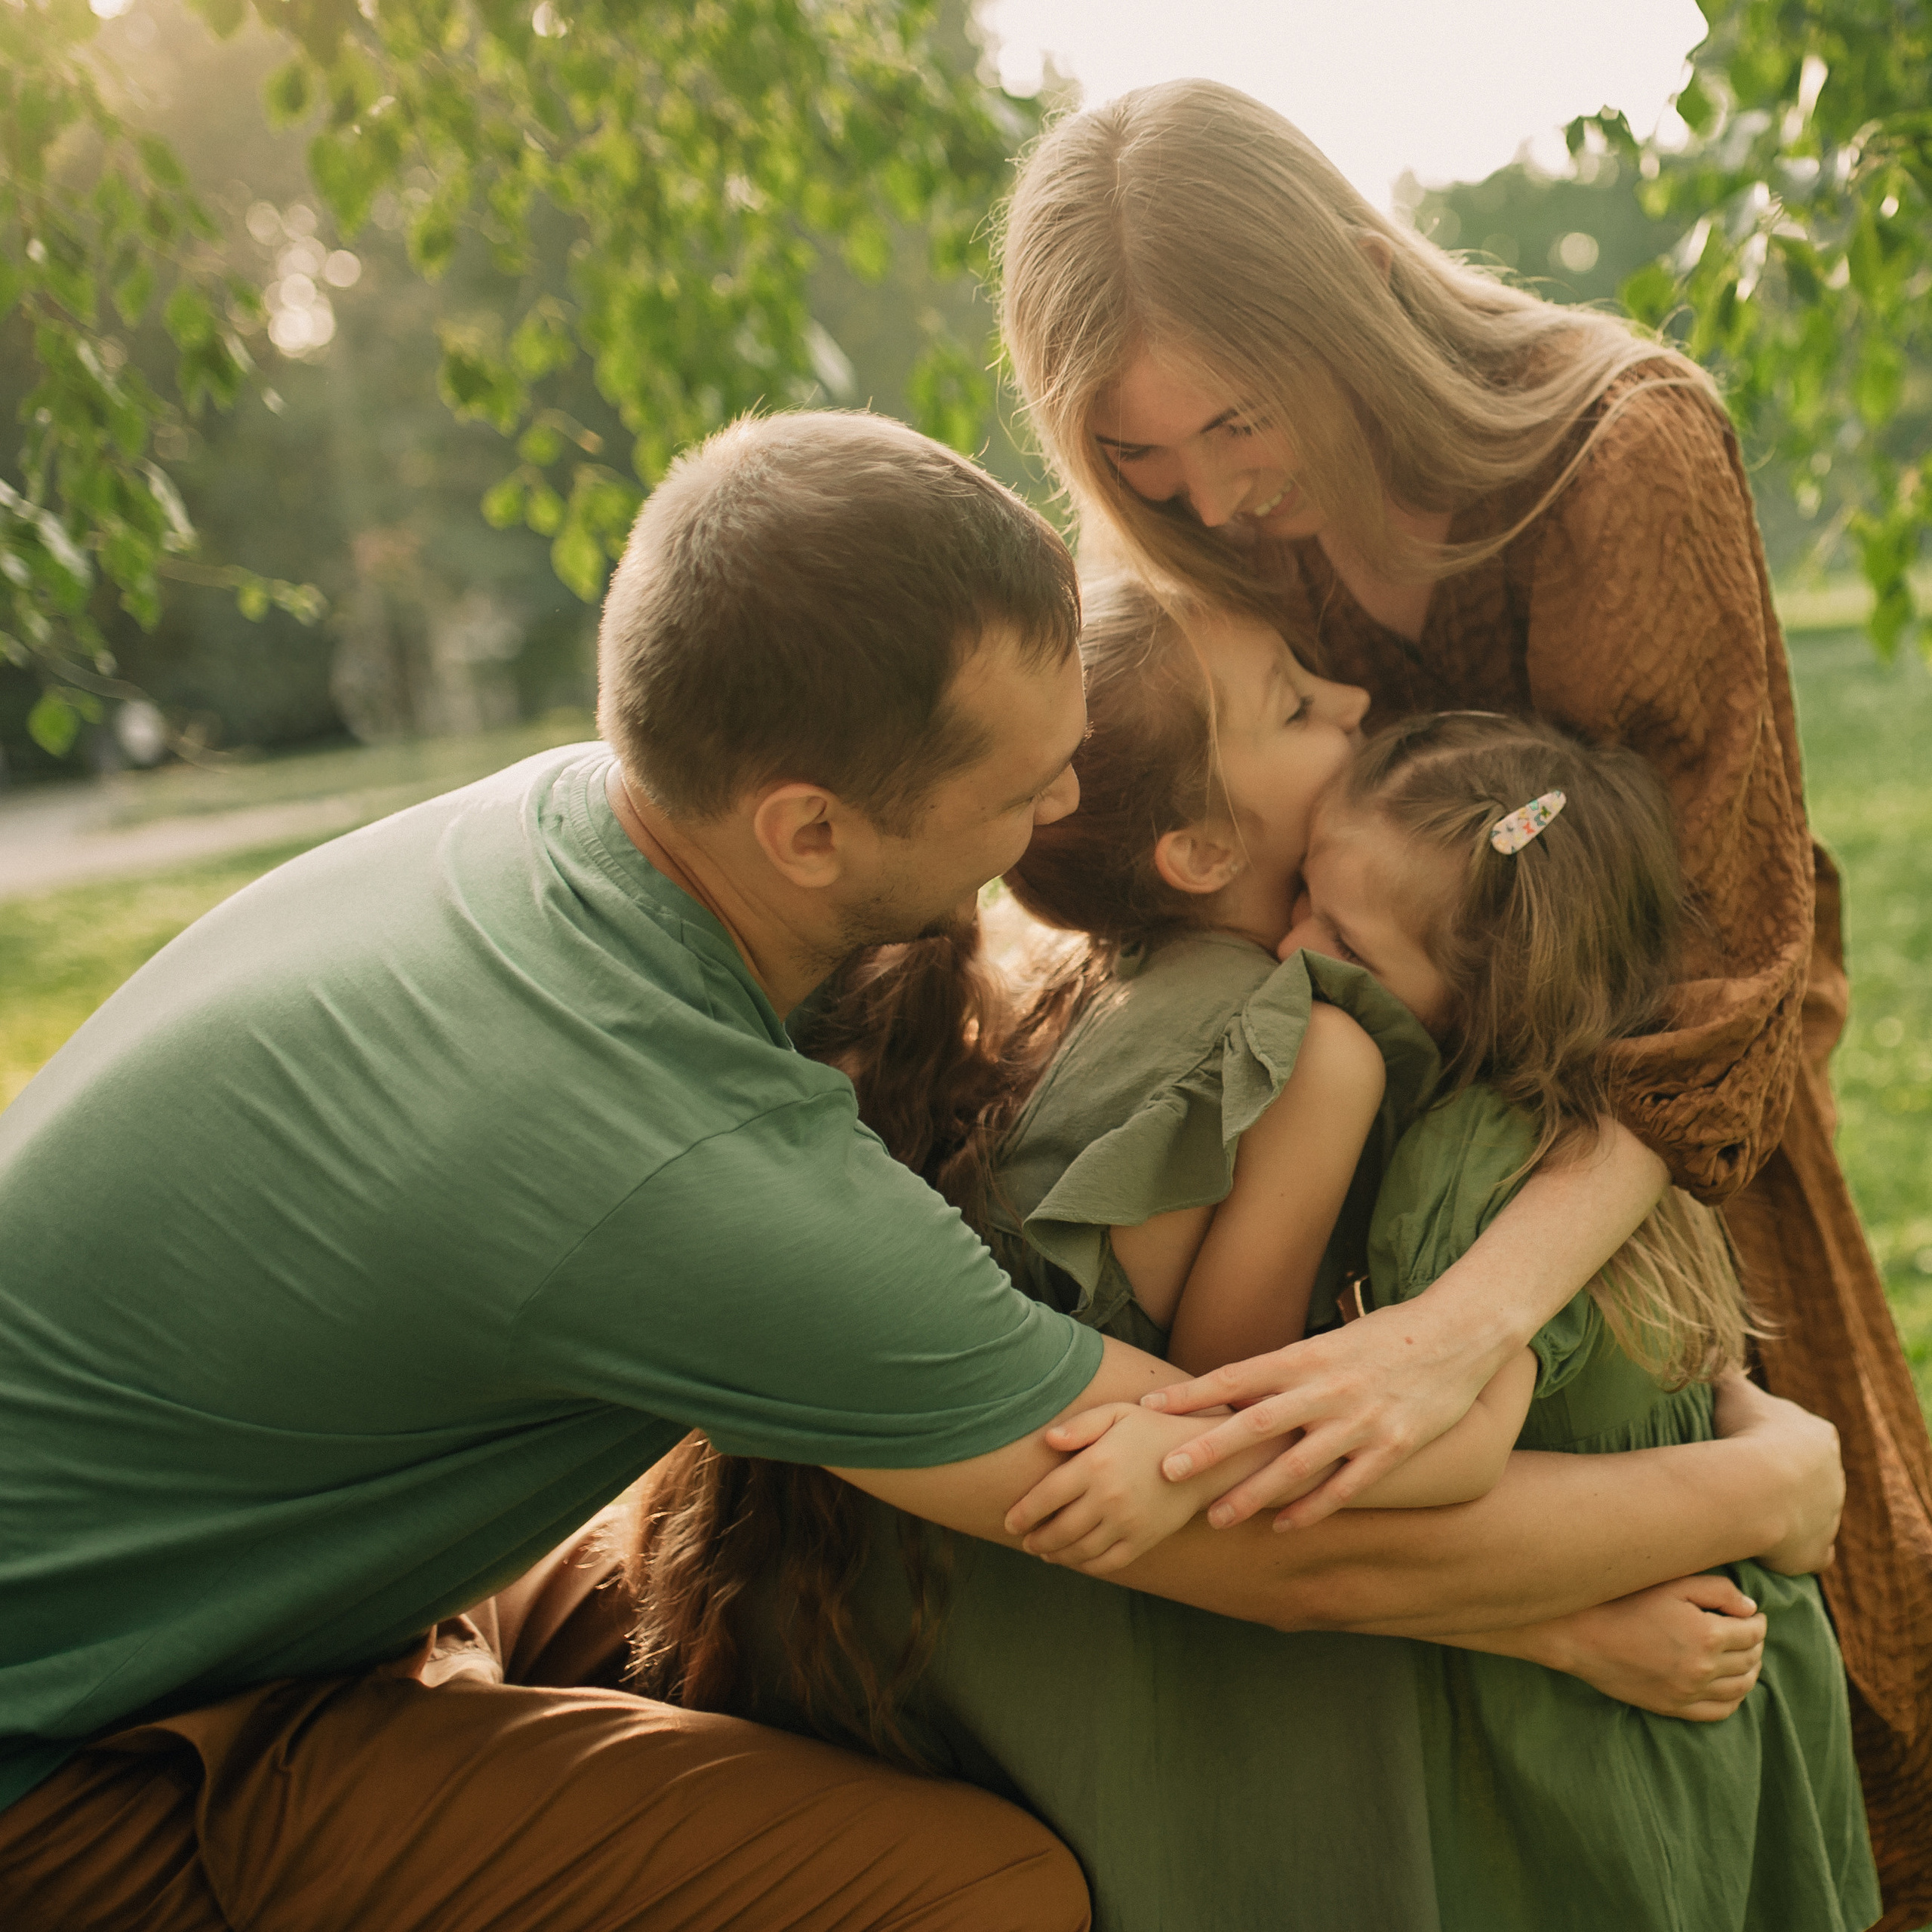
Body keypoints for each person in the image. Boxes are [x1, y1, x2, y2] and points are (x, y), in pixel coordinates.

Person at [0, 411, 1840, 1931]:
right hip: (88, 1757)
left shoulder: (595, 821)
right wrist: (1761, 1489)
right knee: (973, 1897)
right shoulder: (684, 1155)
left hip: (265, 1574)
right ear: (807, 824)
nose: (1065, 821)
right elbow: (1261, 1530)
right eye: (1028, 789)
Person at [998, 78, 1932, 1913]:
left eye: (1233, 419)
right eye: (1140, 459)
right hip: (1366, 1166)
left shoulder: (1610, 457)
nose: (1206, 492)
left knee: (1810, 1697)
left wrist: (1466, 1323)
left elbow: (1722, 984)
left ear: (1346, 287)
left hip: (1649, 1180)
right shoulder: (1204, 554)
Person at [626, 582, 1853, 1931]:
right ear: (1203, 846)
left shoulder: (1094, 979)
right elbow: (1281, 1449)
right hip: (1058, 1605)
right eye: (1293, 698)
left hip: (887, 1592)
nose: (1355, 701)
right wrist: (1743, 1498)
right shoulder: (1307, 1045)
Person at [1002, 664, 1877, 1926]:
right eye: (1303, 894)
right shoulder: (1621, 1146)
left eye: (1347, 945)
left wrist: (1182, 1456)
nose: (1296, 950)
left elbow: (1457, 1445)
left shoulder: (1459, 1173)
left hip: (1606, 1750)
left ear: (1487, 998)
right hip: (1744, 1674)